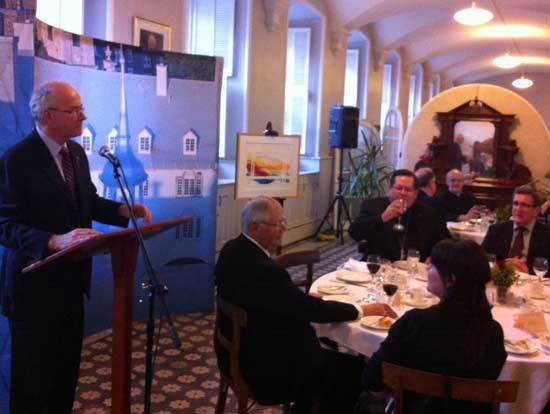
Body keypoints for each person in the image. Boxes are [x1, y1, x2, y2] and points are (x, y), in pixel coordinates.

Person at [0, 81, 152, 414]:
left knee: (64, 374)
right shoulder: (17, 160)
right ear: (47, 114)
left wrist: (122, 210)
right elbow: (5, 226)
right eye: (75, 110)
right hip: (33, 287)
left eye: (81, 108)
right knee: (32, 381)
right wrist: (53, 240)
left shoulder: (77, 153)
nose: (83, 115)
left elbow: (86, 202)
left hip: (71, 282)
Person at [214, 196, 396, 414]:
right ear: (254, 227)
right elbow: (310, 310)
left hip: (235, 354)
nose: (284, 228)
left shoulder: (231, 249)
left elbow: (273, 299)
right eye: (278, 224)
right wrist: (362, 310)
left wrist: (297, 300)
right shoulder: (266, 271)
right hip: (265, 370)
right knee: (356, 370)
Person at [359, 239, 507, 414]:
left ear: (451, 279)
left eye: (433, 266)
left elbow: (372, 378)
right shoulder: (493, 332)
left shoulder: (416, 321)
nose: (427, 269)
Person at [349, 169, 444, 262]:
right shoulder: (372, 206)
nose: (402, 193)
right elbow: (354, 233)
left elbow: (443, 240)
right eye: (398, 188)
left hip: (413, 268)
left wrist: (433, 257)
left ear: (416, 193)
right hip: (379, 265)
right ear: (390, 189)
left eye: (408, 189)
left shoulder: (428, 212)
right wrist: (382, 218)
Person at [482, 186, 550, 274]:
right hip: (500, 280)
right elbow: (482, 258)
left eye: (524, 205)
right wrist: (502, 266)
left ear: (536, 211)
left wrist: (529, 272)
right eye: (516, 203)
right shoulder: (496, 230)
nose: (518, 209)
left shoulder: (546, 235)